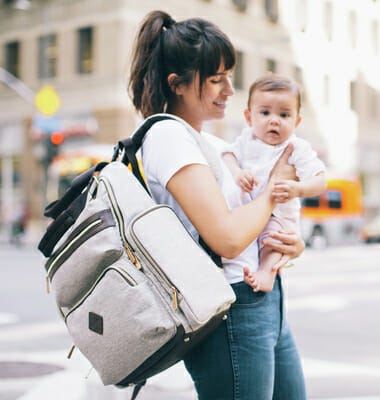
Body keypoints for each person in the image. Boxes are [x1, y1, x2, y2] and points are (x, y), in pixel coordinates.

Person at [129, 10, 307, 400]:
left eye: (229, 75)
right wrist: (274, 187)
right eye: (215, 80)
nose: (230, 89)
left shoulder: (211, 144)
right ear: (177, 84)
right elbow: (226, 237)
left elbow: (253, 224)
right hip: (230, 310)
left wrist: (292, 245)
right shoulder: (166, 138)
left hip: (265, 300)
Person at [222, 74, 326, 292]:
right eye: (265, 112)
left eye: (284, 114)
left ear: (297, 121)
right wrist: (237, 173)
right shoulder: (245, 140)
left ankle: (266, 273)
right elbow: (227, 155)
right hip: (247, 214)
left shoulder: (296, 147)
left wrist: (298, 188)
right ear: (249, 117)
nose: (274, 120)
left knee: (273, 239)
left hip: (278, 215)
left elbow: (320, 181)